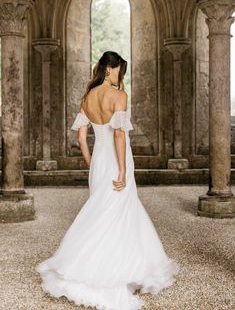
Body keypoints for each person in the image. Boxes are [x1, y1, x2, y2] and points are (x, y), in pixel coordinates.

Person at [35, 51, 181, 310]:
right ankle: (115, 271)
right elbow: (118, 137)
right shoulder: (119, 96)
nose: (120, 75)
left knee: (102, 210)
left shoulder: (88, 98)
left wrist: (92, 163)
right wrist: (123, 171)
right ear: (108, 69)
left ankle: (93, 263)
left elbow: (81, 139)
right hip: (116, 161)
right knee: (118, 211)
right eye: (118, 70)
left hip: (99, 162)